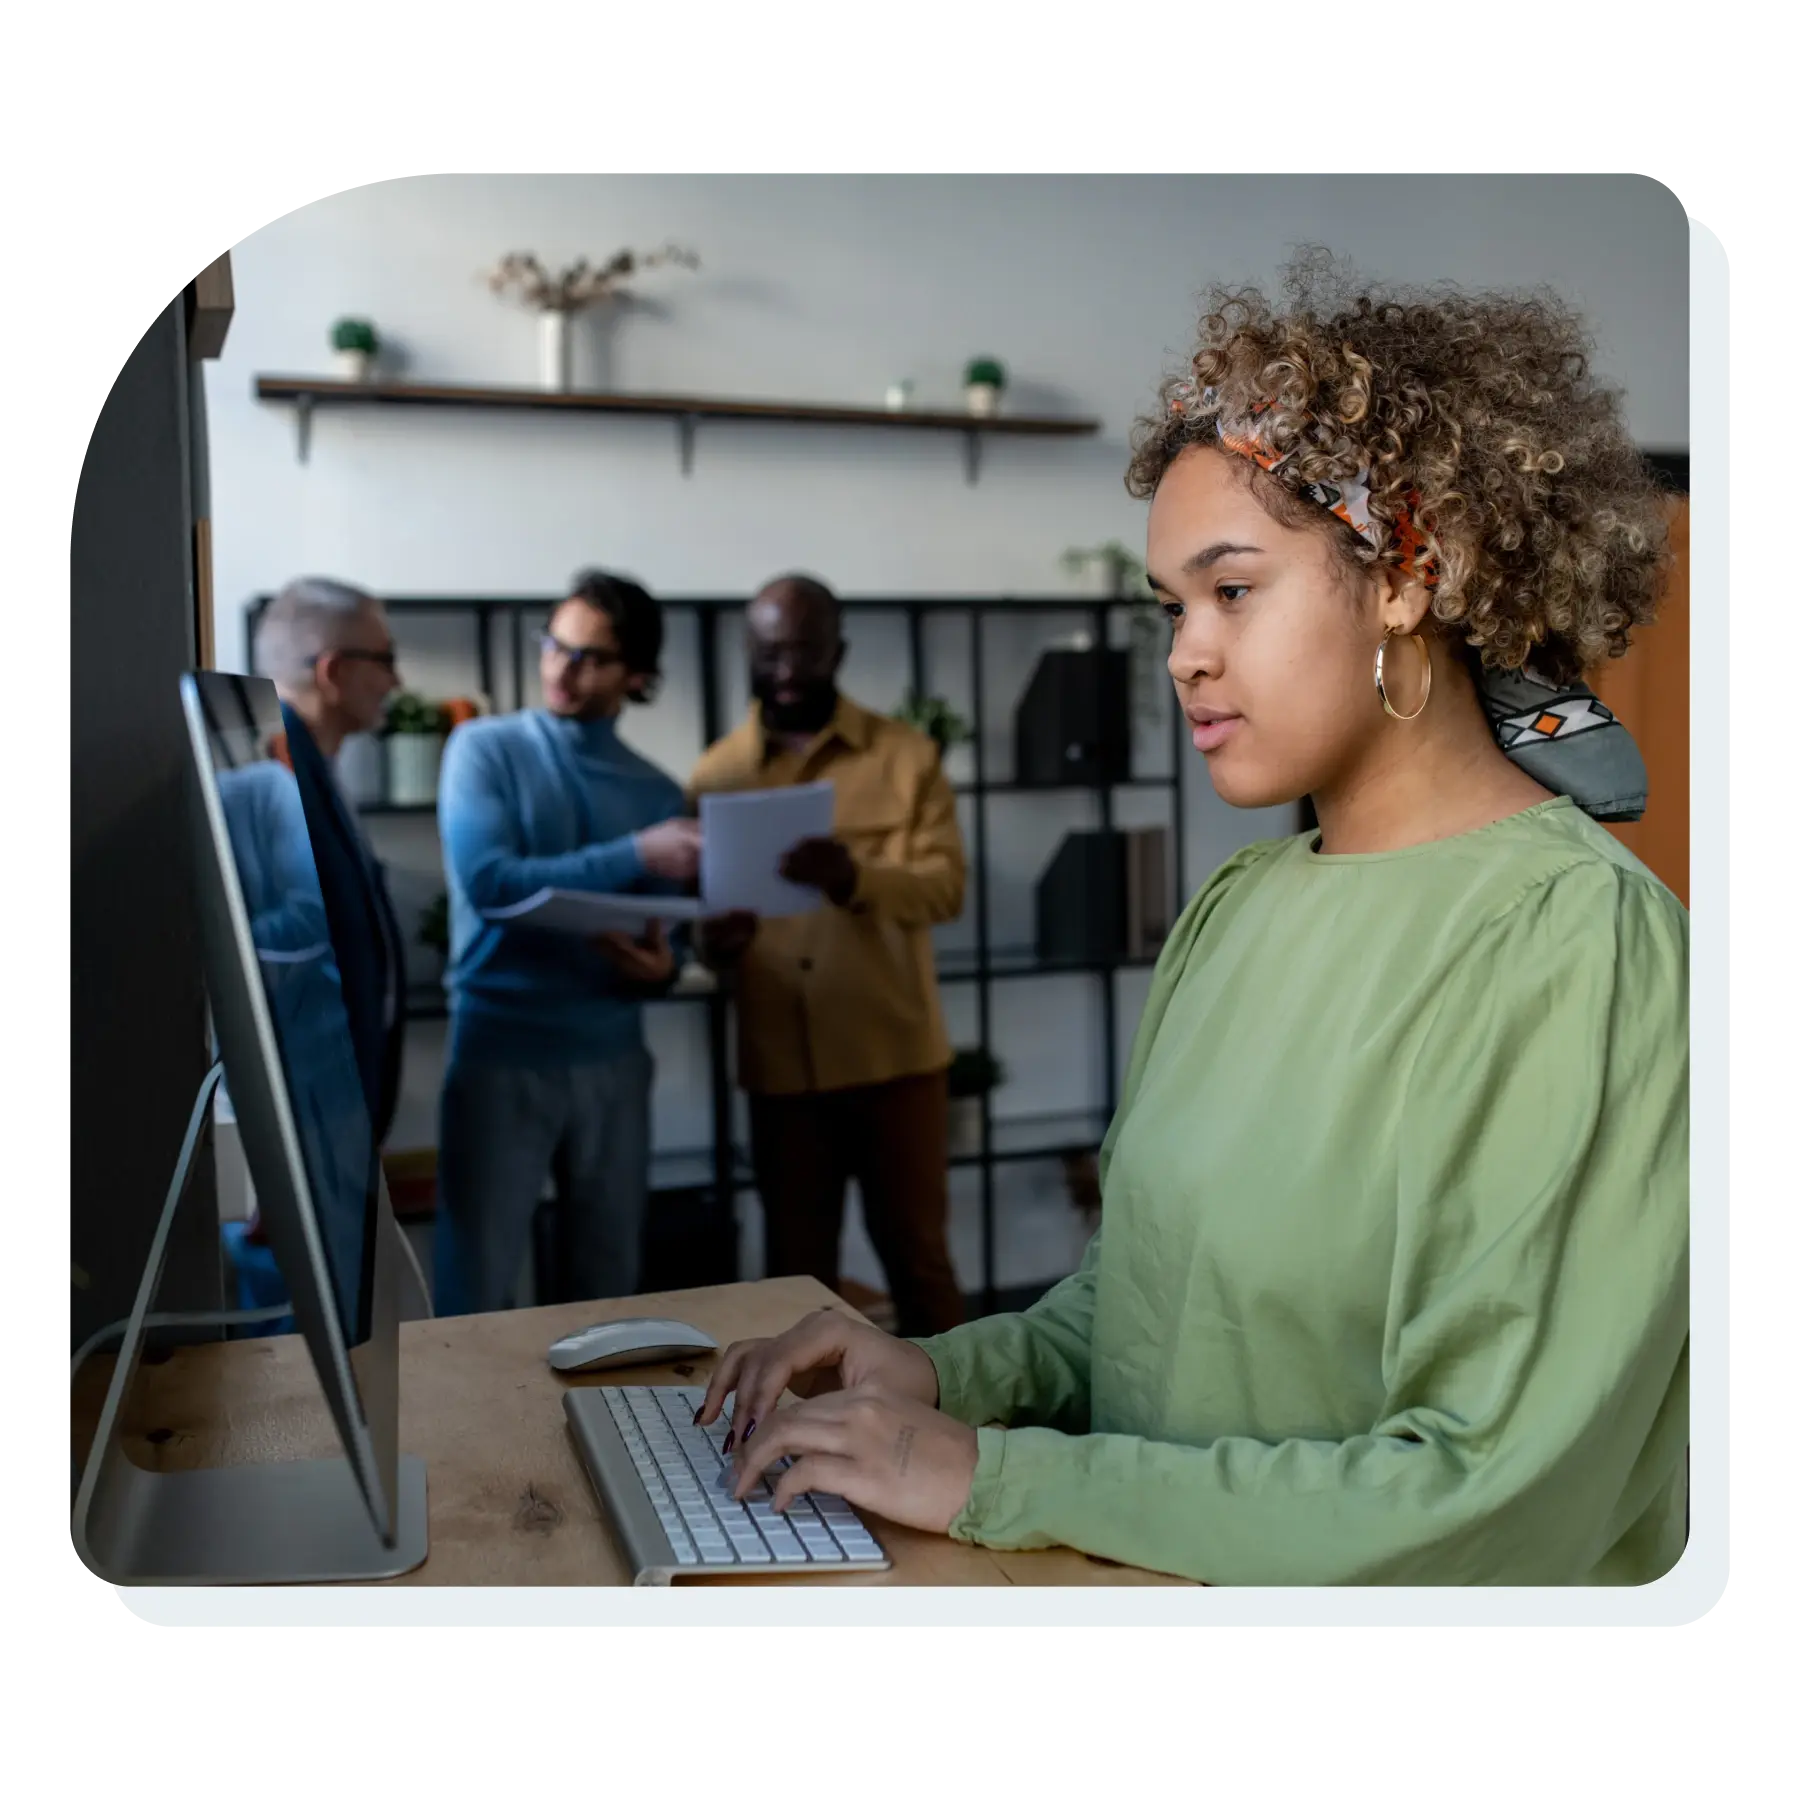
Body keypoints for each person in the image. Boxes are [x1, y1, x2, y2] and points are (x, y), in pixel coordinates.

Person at [696, 255, 1689, 1586]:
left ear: (1406, 573)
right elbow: (1144, 1313)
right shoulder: (1239, 907)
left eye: (1233, 590)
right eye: (1172, 607)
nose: (1183, 655)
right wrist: (940, 1370)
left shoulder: (1581, 947)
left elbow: (1491, 1489)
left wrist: (999, 1473)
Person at [688, 575, 967, 1340]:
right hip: (783, 1071)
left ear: (836, 652)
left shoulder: (906, 758)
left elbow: (946, 889)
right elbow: (700, 923)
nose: (784, 671)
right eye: (768, 653)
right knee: (793, 1273)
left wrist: (854, 876)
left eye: (802, 653)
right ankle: (797, 1440)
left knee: (919, 1261)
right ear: (749, 651)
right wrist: (712, 942)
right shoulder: (716, 776)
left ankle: (966, 1435)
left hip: (895, 1061)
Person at [433, 569, 701, 1316]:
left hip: (613, 1057)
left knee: (607, 1284)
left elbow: (666, 938)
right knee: (477, 1281)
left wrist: (660, 969)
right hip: (498, 1052)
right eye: (553, 644)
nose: (560, 667)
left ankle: (605, 1432)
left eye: (589, 656)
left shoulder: (655, 791)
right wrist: (638, 854)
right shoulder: (483, 750)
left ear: (636, 676)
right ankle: (460, 1437)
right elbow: (491, 885)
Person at [251, 576, 409, 1147]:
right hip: (311, 1123)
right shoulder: (276, 783)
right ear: (334, 671)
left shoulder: (313, 767)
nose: (396, 680)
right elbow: (276, 969)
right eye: (385, 659)